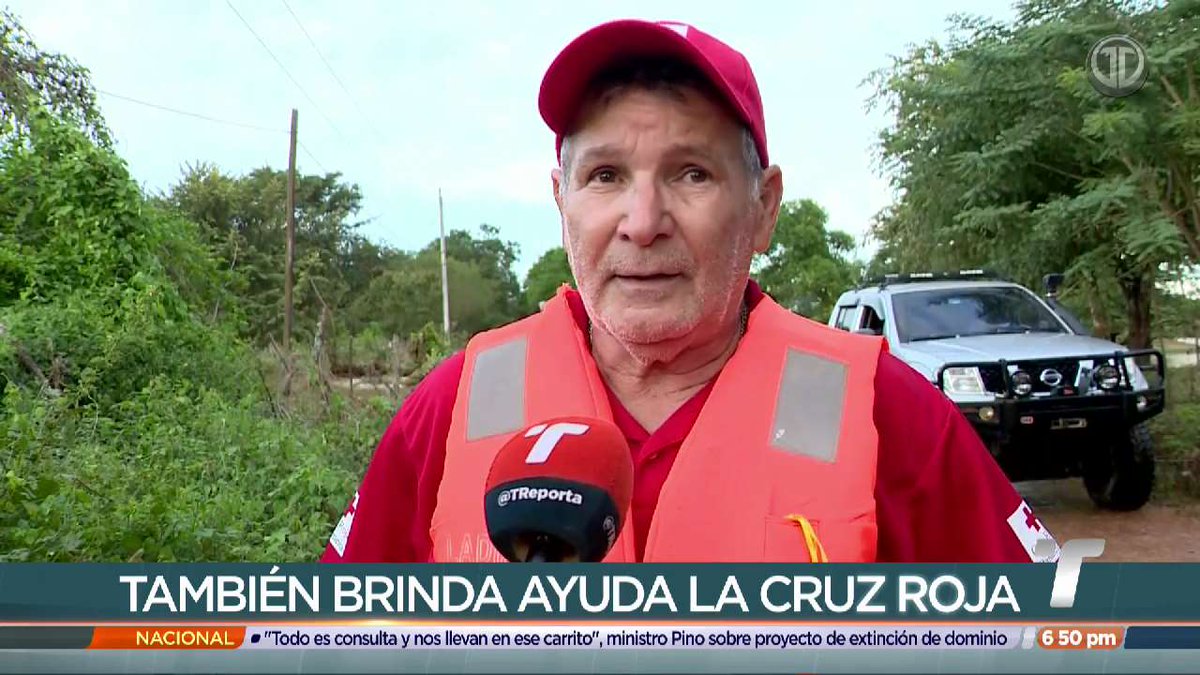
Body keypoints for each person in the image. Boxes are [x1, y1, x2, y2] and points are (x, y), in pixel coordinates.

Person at [321, 19, 1060, 564]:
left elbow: (1056, 635)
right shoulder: (456, 404)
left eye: (691, 174)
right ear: (561, 201)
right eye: (606, 176)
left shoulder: (883, 413)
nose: (642, 224)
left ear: (764, 207)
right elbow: (327, 640)